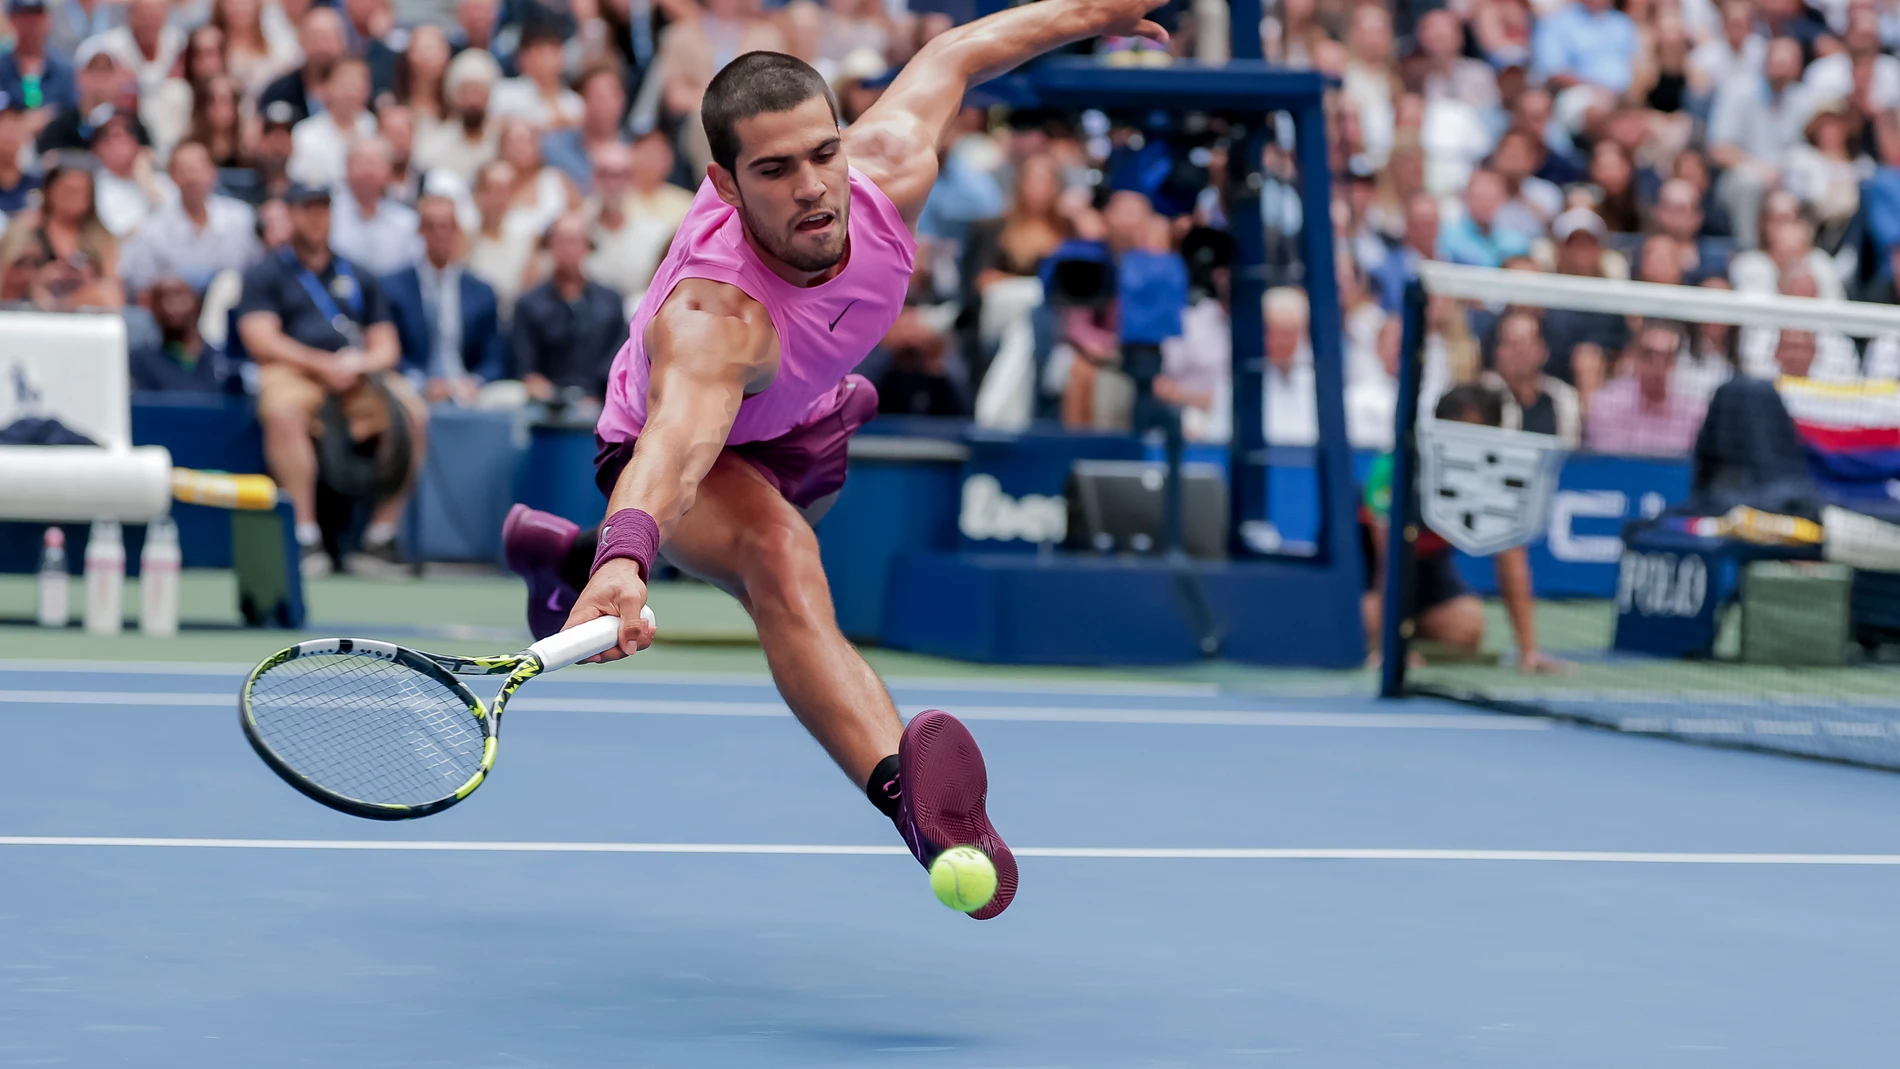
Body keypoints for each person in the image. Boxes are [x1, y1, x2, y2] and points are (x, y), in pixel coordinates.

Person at [500, 3, 1173, 920]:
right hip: (670, 445)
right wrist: (628, 550)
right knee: (781, 559)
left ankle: (562, 564)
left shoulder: (888, 169)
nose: (812, 185)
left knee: (818, 465)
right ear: (726, 186)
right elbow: (680, 441)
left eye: (823, 152)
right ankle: (920, 808)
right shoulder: (713, 318)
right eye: (774, 170)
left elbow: (961, 48)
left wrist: (1098, 12)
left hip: (795, 417)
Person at [236, 182, 426, 576]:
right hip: (295, 369)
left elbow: (386, 345)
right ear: (289, 215)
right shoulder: (265, 273)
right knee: (282, 411)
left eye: (323, 208)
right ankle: (305, 537)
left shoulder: (357, 273)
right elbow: (260, 339)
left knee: (413, 414)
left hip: (353, 371)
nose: (317, 217)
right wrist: (321, 363)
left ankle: (381, 537)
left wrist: (359, 363)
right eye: (307, 208)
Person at [1362, 383, 1566, 674]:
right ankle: (1392, 635)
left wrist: (1529, 651)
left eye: (1479, 435)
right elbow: (1388, 561)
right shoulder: (1395, 467)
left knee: (1466, 630)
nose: (1469, 446)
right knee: (1363, 623)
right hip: (1369, 569)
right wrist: (1390, 648)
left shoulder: (1494, 474)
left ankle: (1413, 628)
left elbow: (1512, 559)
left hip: (1429, 571)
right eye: (1460, 433)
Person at [382, 194, 506, 404]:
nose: (441, 234)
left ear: (457, 231)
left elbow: (494, 357)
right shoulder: (393, 288)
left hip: (468, 390)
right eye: (433, 226)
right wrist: (422, 383)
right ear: (420, 231)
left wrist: (474, 382)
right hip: (414, 390)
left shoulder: (481, 292)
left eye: (447, 226)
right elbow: (391, 352)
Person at [510, 213, 625, 405]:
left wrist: (599, 394)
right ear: (549, 247)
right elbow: (525, 366)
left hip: (602, 402)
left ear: (587, 246)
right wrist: (544, 390)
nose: (568, 249)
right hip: (547, 407)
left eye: (574, 241)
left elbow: (618, 359)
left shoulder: (611, 302)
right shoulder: (528, 304)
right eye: (561, 241)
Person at [120, 139, 261, 295]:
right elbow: (143, 289)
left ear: (213, 172)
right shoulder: (152, 229)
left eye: (198, 168)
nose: (193, 177)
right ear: (172, 176)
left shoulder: (242, 218)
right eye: (184, 170)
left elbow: (257, 274)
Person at [584, 137, 692, 304]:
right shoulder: (574, 232)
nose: (612, 183)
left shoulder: (656, 234)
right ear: (593, 178)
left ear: (631, 180)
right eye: (604, 174)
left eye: (620, 175)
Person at [1585, 319, 1708, 457]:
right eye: (1649, 355)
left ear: (1674, 362)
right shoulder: (1606, 405)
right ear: (1635, 357)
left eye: (1666, 357)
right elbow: (1607, 462)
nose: (1657, 365)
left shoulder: (1694, 413)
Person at [1481, 309, 1582, 446]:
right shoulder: (1482, 395)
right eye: (1509, 343)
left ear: (1543, 350)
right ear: (1497, 351)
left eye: (1525, 343)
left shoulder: (1564, 398)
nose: (1518, 352)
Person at [327, 136, 421, 277]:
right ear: (346, 167)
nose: (368, 171)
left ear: (389, 170)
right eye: (361, 163)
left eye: (375, 163)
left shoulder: (408, 222)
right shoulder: (328, 217)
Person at [287, 56, 377, 189]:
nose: (354, 89)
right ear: (323, 87)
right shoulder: (305, 134)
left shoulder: (375, 127)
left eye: (360, 81)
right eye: (347, 82)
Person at [543, 64, 629, 193]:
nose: (604, 104)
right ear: (583, 100)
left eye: (611, 96)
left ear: (622, 100)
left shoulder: (635, 150)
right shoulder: (554, 147)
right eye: (598, 97)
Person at [257, 6, 347, 129]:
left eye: (328, 37)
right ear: (301, 40)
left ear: (343, 41)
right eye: (315, 37)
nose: (322, 46)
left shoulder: (363, 92)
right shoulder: (279, 92)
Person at [130, 276, 221, 392]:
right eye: (162, 298)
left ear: (197, 303)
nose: (171, 307)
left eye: (179, 296)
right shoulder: (140, 361)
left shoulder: (218, 361)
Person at [0, 0, 78, 123]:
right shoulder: (3, 68)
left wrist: (48, 117)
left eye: (38, 14)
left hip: (52, 140)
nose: (32, 21)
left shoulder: (63, 70)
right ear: (12, 19)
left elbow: (73, 114)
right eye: (25, 15)